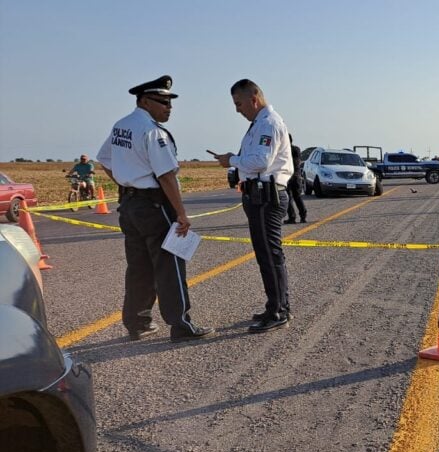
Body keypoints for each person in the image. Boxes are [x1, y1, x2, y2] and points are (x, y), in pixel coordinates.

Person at [96, 75, 215, 342]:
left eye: (170, 103)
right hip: (154, 204)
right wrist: (182, 214)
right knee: (169, 265)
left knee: (138, 267)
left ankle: (138, 323)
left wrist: (127, 184)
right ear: (145, 101)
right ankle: (181, 325)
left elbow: (104, 159)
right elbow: (166, 176)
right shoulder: (152, 131)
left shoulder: (121, 126)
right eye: (163, 102)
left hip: (129, 205)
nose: (168, 107)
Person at [211, 79, 293, 333]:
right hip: (258, 196)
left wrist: (231, 160)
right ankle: (276, 305)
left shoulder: (268, 123)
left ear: (253, 99)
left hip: (267, 197)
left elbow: (260, 161)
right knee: (266, 256)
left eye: (239, 104)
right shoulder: (259, 124)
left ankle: (279, 311)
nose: (237, 110)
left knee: (270, 256)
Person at [285, 133, 307, 224]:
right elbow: (297, 162)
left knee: (288, 198)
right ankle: (303, 216)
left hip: (287, 176)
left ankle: (292, 217)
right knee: (297, 197)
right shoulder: (296, 149)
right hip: (297, 176)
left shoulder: (283, 150)